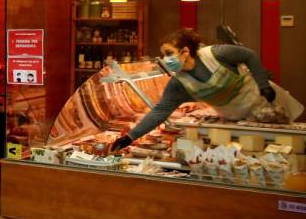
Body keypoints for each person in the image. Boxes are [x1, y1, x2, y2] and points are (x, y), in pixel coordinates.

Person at [111, 28, 304, 152]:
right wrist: (130, 137)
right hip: (237, 121)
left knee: (287, 150)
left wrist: (263, 83)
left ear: (185, 51)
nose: (165, 59)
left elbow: (249, 55)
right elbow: (160, 111)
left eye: (169, 53)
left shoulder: (216, 54)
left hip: (268, 105)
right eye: (163, 55)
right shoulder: (178, 84)